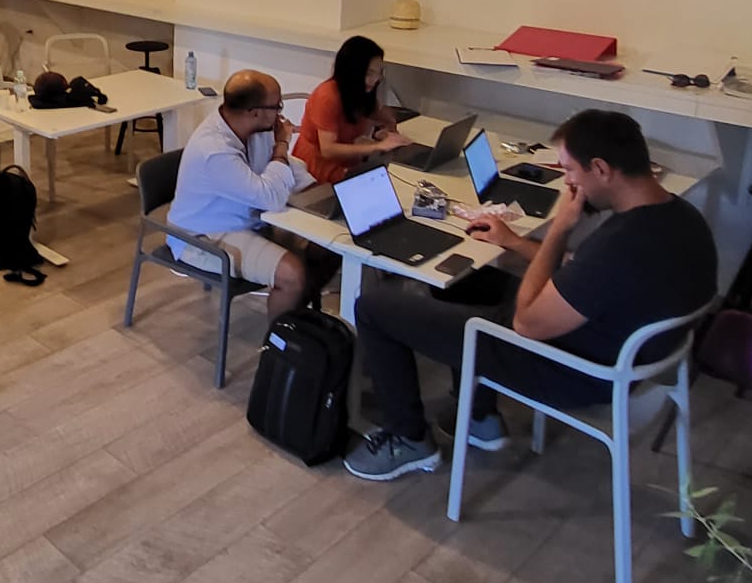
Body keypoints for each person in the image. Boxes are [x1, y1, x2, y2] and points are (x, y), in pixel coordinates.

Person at [343, 108, 719, 482]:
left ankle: (409, 440)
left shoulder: (621, 244)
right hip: (619, 348)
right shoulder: (682, 217)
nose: (568, 183)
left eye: (569, 171)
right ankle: (479, 417)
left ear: (601, 169)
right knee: (466, 281)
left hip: (574, 370)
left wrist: (560, 228)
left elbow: (525, 323)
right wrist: (513, 242)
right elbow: (580, 268)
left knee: (375, 308)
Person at [166, 68, 317, 316]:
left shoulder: (257, 128)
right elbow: (271, 197)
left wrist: (319, 192)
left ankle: (297, 320)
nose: (280, 114)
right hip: (202, 235)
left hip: (248, 222)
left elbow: (283, 167)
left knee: (324, 248)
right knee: (291, 274)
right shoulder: (215, 150)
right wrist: (282, 144)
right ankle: (278, 338)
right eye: (276, 106)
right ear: (255, 112)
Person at [292, 34, 408, 186]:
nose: (375, 80)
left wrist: (388, 131)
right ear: (351, 71)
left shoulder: (362, 92)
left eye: (379, 72)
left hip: (347, 164)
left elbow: (385, 117)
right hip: (315, 171)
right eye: (369, 73)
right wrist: (376, 146)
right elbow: (328, 150)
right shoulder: (327, 96)